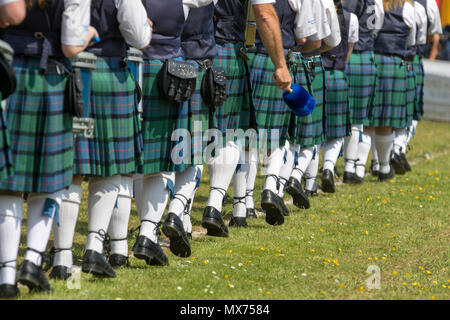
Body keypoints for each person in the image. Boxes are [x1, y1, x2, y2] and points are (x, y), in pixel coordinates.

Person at [0, 0, 96, 297]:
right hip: (52, 79)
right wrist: (90, 33)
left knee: (9, 184)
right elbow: (70, 45)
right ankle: (32, 261)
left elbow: (12, 13)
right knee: (51, 181)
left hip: (11, 74)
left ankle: (5, 275)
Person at [74, 0, 151, 278]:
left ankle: (59, 257)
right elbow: (139, 38)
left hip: (66, 74)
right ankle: (94, 248)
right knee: (111, 169)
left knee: (69, 171)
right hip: (106, 74)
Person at [202, 0, 292, 237]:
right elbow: (264, 14)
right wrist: (281, 65)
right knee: (231, 133)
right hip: (227, 51)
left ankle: (181, 216)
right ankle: (214, 205)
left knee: (193, 136)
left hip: (187, 53)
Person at [245, 0, 315, 226]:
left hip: (250, 57)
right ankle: (269, 188)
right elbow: (305, 37)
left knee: (248, 134)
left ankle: (243, 204)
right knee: (278, 133)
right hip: (278, 59)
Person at [285, 0, 341, 205]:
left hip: (286, 60)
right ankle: (296, 176)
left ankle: (288, 179)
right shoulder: (326, 2)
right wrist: (311, 52)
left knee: (290, 131)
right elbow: (330, 41)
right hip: (311, 62)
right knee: (312, 132)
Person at [364, 0, 416, 182]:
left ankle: (357, 167)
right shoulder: (408, 8)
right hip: (395, 62)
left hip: (374, 59)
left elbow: (372, 32)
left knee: (368, 118)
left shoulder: (374, 3)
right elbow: (412, 40)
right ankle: (383, 167)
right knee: (386, 119)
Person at [343, 0, 384, 183]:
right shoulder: (377, 3)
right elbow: (378, 28)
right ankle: (355, 167)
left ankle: (347, 166)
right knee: (362, 119)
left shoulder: (350, 2)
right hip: (368, 57)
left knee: (348, 118)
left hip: (350, 55)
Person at [320, 0, 359, 193]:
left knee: (312, 131)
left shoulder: (315, 10)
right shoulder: (351, 18)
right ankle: (328, 167)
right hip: (338, 74)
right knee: (336, 132)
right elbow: (348, 52)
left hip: (317, 73)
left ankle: (308, 180)